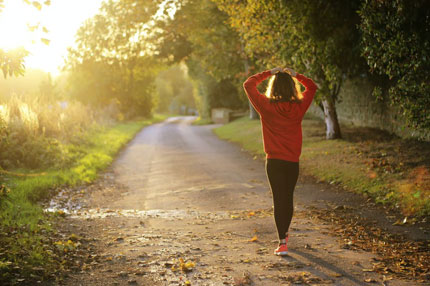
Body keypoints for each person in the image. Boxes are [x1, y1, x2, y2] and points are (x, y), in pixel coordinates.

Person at [243, 67, 317, 256]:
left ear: (273, 87)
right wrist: (296, 75)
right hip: (292, 161)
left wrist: (269, 72)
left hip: (274, 162)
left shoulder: (265, 106)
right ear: (292, 88)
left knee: (278, 199)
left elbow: (248, 84)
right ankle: (284, 233)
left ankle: (282, 242)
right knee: (288, 198)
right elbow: (312, 87)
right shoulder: (299, 107)